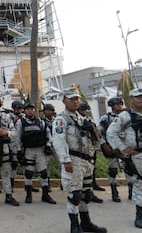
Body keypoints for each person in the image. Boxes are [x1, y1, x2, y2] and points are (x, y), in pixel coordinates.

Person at [52, 87, 106, 233]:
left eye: (77, 99)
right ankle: (75, 226)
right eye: (72, 99)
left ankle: (86, 223)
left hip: (87, 161)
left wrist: (94, 131)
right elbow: (58, 141)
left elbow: (95, 140)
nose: (75, 101)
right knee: (75, 195)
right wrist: (65, 160)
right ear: (64, 101)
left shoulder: (84, 120)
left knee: (86, 194)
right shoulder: (61, 120)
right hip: (73, 160)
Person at [107, 88, 142, 228]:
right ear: (131, 99)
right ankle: (139, 214)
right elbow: (111, 133)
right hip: (136, 155)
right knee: (139, 183)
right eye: (137, 97)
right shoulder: (125, 116)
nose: (140, 99)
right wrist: (123, 148)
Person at [15, 102, 56, 204]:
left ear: (35, 110)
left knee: (43, 173)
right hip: (28, 150)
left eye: (32, 108)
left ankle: (45, 195)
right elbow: (17, 137)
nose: (30, 110)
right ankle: (28, 195)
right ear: (25, 110)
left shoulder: (41, 122)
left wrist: (48, 146)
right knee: (29, 173)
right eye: (28, 109)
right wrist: (19, 151)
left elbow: (48, 135)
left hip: (40, 150)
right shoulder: (21, 122)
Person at [99, 97, 130, 202]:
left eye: (120, 104)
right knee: (113, 170)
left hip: (125, 147)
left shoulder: (127, 116)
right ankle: (114, 191)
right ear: (111, 106)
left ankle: (131, 190)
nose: (119, 106)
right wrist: (104, 145)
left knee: (129, 169)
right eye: (116, 104)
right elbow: (99, 133)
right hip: (112, 147)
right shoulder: (105, 118)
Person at [77, 102, 104, 204]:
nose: (83, 111)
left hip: (91, 148)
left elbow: (96, 132)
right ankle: (81, 194)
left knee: (91, 170)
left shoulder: (89, 119)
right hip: (80, 150)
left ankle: (90, 192)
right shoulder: (75, 119)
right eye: (82, 109)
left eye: (85, 109)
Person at [42, 103, 58, 191]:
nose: (48, 112)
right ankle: (47, 184)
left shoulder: (57, 121)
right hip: (46, 145)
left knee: (60, 163)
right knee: (46, 165)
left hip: (57, 144)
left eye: (50, 110)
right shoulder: (41, 121)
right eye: (46, 110)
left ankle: (64, 182)